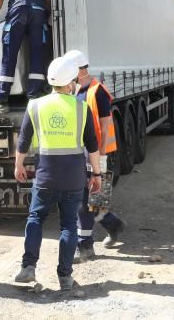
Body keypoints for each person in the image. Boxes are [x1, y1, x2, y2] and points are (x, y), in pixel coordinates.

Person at [13, 55, 101, 291]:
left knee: (35, 218)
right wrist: (97, 174)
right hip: (73, 177)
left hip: (45, 175)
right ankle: (65, 277)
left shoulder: (35, 105)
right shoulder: (81, 108)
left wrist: (18, 165)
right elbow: (93, 145)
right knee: (69, 225)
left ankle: (28, 267)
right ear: (70, 82)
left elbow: (23, 140)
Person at [63, 50, 126, 262]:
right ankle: (112, 223)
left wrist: (97, 155)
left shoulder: (97, 91)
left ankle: (85, 246)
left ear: (79, 69)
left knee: (87, 201)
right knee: (88, 200)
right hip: (79, 152)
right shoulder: (74, 90)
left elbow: (106, 124)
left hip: (95, 153)